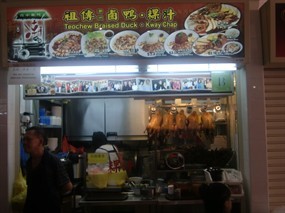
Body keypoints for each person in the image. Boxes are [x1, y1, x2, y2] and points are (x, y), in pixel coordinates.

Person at [23, 126, 73, 213]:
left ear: (41, 141)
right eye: (24, 139)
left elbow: (68, 186)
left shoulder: (52, 161)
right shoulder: (29, 162)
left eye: (28, 139)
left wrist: (52, 195)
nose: (24, 142)